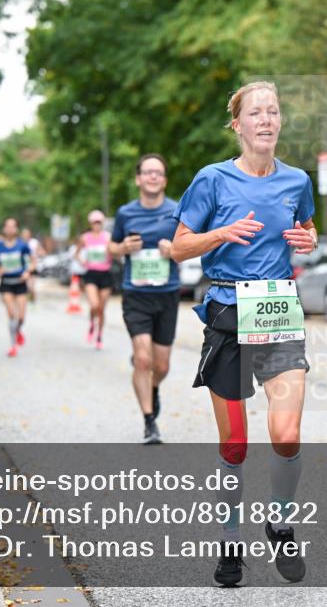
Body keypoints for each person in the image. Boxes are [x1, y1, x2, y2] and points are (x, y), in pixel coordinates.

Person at [170, 81, 317, 587]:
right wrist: (220, 234)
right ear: (238, 125)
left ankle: (279, 520)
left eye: (273, 111)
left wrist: (309, 239)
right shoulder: (211, 180)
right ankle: (230, 540)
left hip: (278, 309)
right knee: (235, 445)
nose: (266, 120)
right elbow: (178, 247)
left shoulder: (297, 180)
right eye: (256, 112)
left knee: (287, 433)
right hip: (228, 311)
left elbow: (307, 228)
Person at [109, 155, 181, 442]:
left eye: (158, 173)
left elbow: (190, 247)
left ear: (163, 180)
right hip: (136, 295)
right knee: (142, 359)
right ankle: (150, 423)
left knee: (161, 366)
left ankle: (153, 387)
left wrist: (173, 250)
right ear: (138, 179)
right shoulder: (126, 213)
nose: (153, 177)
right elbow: (111, 248)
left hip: (167, 294)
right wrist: (123, 247)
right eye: (148, 172)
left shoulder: (177, 210)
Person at [0, 218, 35, 357]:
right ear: (4, 229)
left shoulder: (22, 246)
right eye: (8, 226)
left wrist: (28, 272)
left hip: (20, 283)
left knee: (21, 317)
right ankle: (13, 345)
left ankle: (18, 330)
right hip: (6, 284)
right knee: (12, 315)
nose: (10, 229)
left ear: (16, 229)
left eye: (13, 226)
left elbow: (33, 261)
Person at [75, 210, 114, 350]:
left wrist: (112, 253)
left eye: (99, 223)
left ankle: (99, 336)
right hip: (91, 274)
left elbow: (114, 251)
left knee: (102, 309)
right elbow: (76, 253)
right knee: (94, 305)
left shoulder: (108, 237)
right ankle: (92, 323)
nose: (97, 226)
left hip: (105, 275)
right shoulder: (85, 238)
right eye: (94, 223)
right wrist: (83, 263)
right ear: (90, 224)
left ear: (102, 224)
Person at [20, 228, 42, 304]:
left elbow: (41, 251)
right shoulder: (19, 243)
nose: (25, 235)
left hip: (32, 266)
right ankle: (26, 300)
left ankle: (33, 300)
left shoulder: (34, 242)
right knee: (26, 285)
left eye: (27, 233)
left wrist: (38, 253)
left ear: (30, 234)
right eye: (24, 233)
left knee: (31, 286)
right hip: (23, 267)